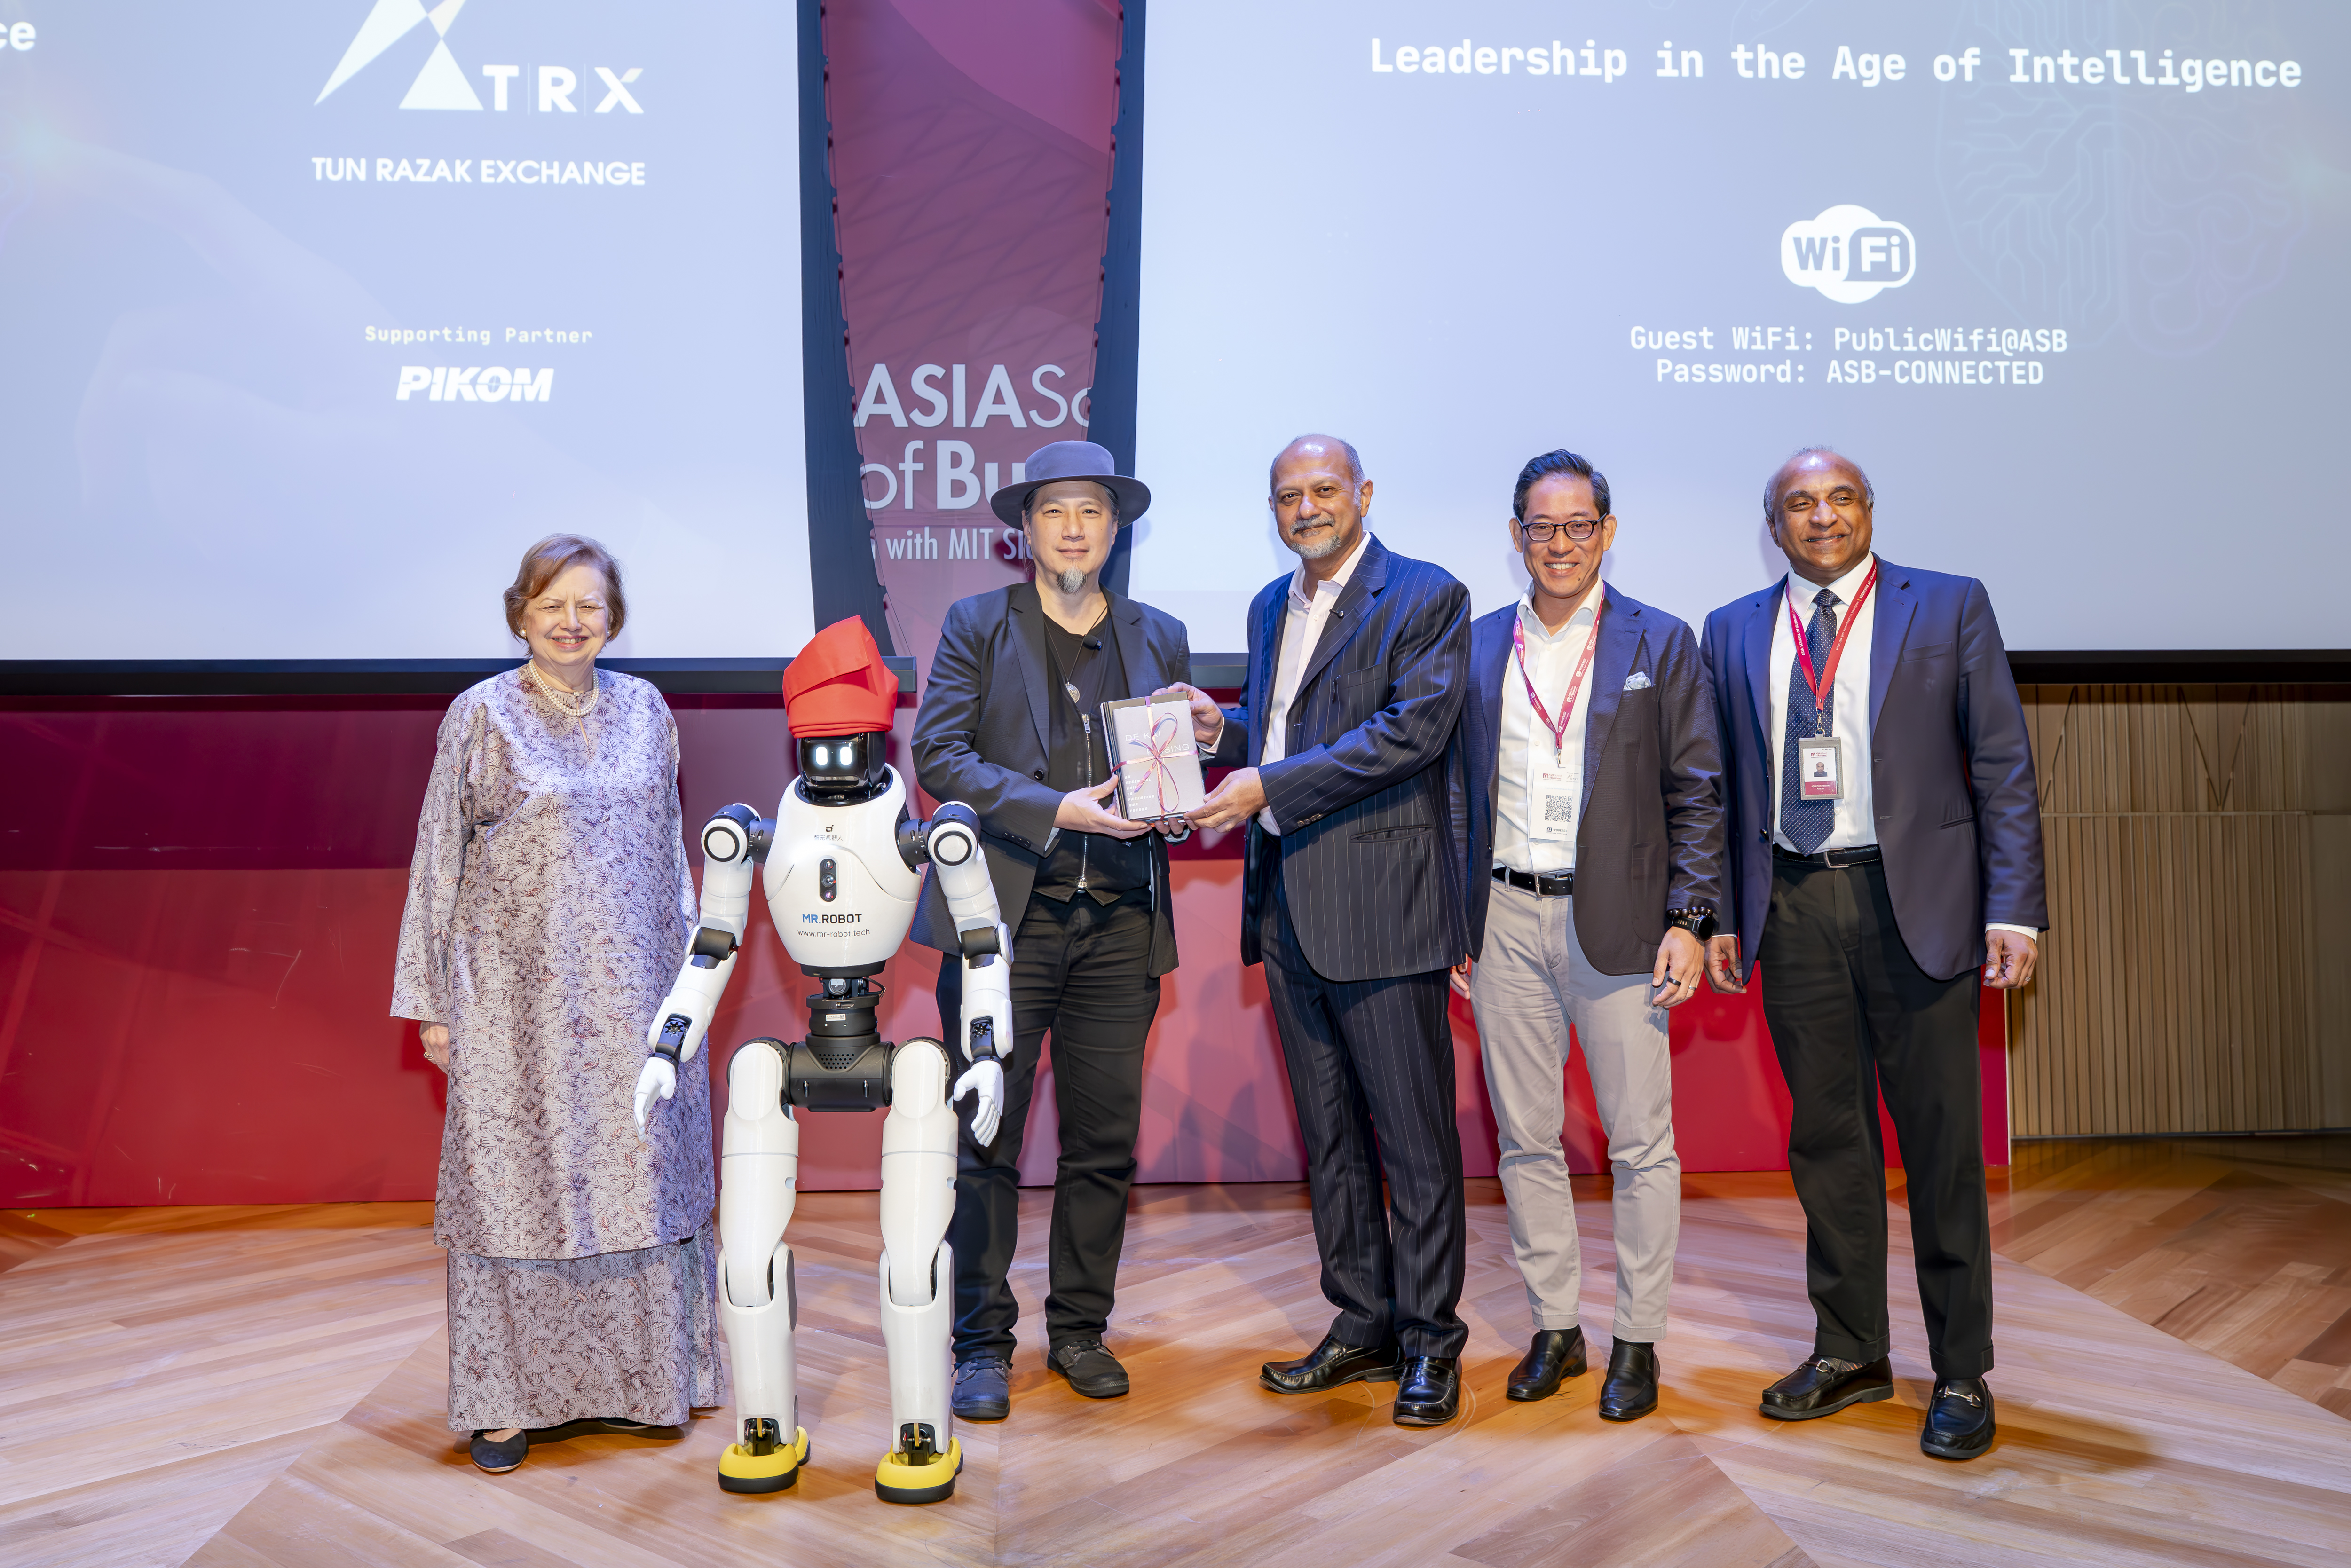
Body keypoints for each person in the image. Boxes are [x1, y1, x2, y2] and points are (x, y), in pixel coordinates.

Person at [1698, 449, 2045, 1461]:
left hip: (1920, 909)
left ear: (1867, 512)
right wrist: (1717, 913)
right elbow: (1718, 790)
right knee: (1826, 1143)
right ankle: (1849, 1349)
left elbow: (2003, 768)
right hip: (1791, 905)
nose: (1821, 518)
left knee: (1940, 1150)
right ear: (1775, 525)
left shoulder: (1948, 607)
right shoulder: (1730, 630)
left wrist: (2013, 910)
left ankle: (1960, 1372)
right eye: (1799, 504)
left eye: (1839, 499)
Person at [392, 535, 720, 1475]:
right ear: (520, 613)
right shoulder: (480, 715)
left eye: (589, 605)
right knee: (515, 1194)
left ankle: (641, 1386)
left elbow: (670, 854)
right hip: (513, 1008)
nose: (572, 621)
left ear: (612, 617)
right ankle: (506, 1406)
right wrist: (433, 1005)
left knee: (637, 1180)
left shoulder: (648, 710)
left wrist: (690, 987)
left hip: (635, 1002)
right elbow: (438, 862)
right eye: (553, 604)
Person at [1163, 434, 1473, 1427]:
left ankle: (1431, 1344)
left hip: (1384, 911)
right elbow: (1293, 729)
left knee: (1415, 1144)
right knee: (1331, 1139)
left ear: (1364, 494)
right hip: (1289, 908)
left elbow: (1407, 735)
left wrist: (1265, 783)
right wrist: (1224, 734)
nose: (1306, 508)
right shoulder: (1269, 604)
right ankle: (1360, 1324)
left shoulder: (1426, 596)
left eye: (1324, 490)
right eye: (1288, 495)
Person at [911, 439, 1195, 1421]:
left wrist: (1204, 749)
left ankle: (1078, 1329)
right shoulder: (977, 625)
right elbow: (939, 752)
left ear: (1116, 530)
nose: (1074, 528)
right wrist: (1054, 809)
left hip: (1121, 924)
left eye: (1092, 513)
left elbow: (1177, 766)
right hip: (1003, 928)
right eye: (1055, 512)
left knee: (1103, 1143)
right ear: (1022, 530)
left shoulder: (1159, 634)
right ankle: (980, 1344)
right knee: (984, 1136)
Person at [1450, 449, 1725, 1422]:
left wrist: (1691, 922)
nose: (1558, 543)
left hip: (1617, 923)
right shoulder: (1478, 646)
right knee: (1526, 1139)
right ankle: (1556, 1328)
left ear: (1606, 532)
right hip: (1502, 919)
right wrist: (1455, 915)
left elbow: (1697, 793)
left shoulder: (1663, 639)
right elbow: (1451, 795)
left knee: (1639, 1143)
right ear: (1515, 535)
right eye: (1540, 526)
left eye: (1577, 526)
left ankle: (1637, 1341)